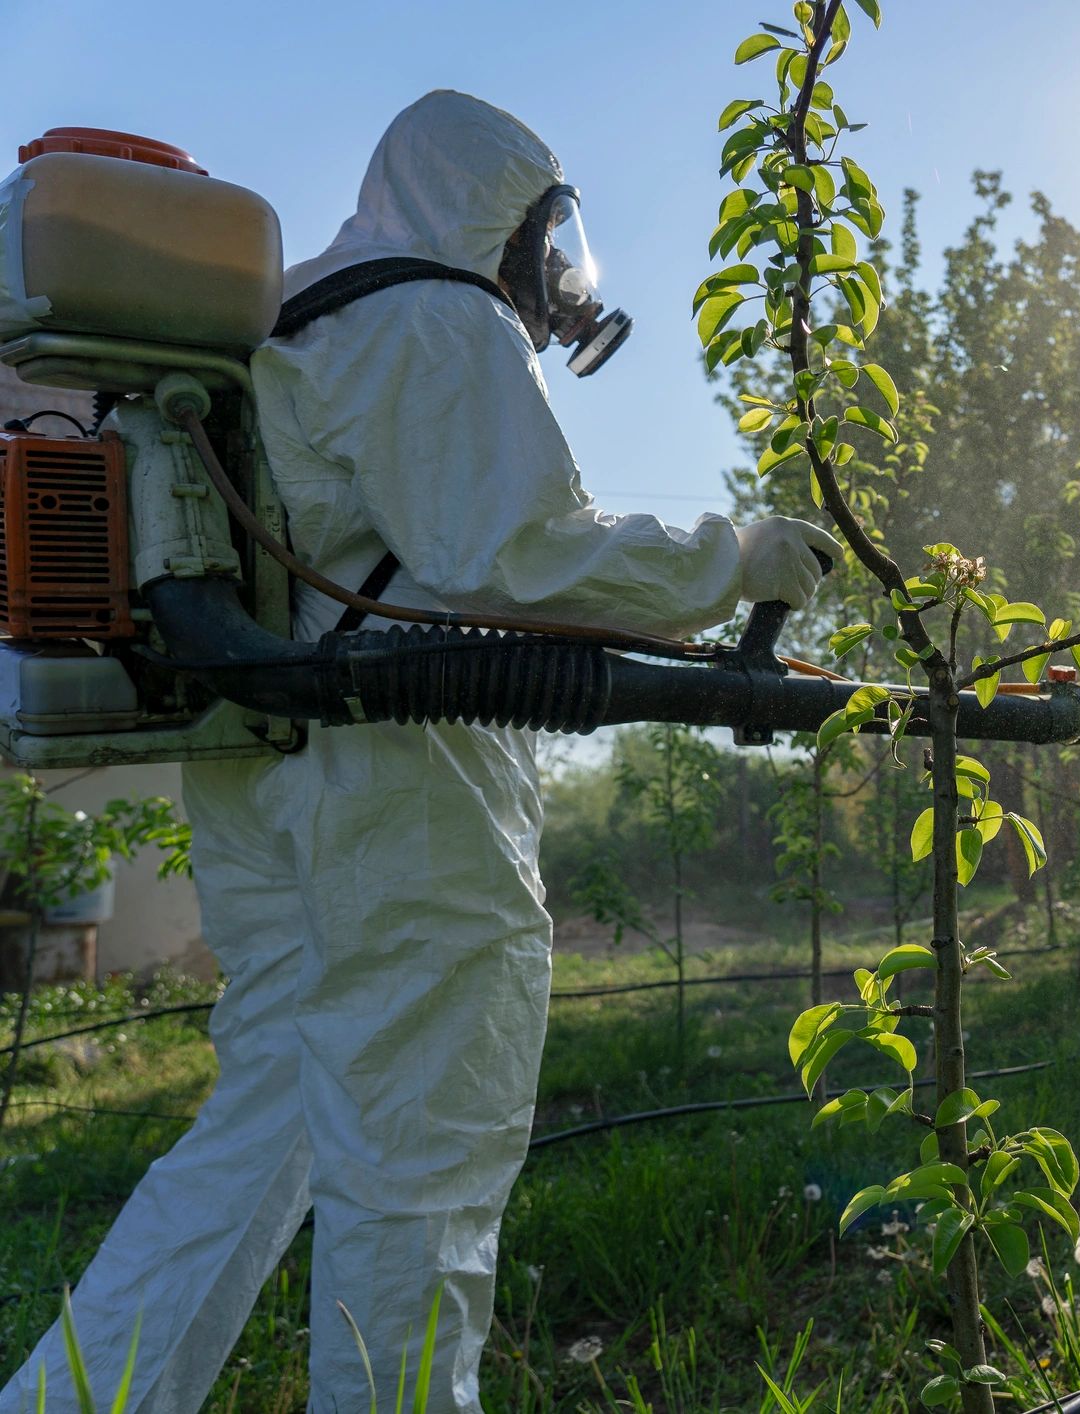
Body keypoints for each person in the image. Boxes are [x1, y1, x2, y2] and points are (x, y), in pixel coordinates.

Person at [0, 91, 838, 1413]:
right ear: (494, 210)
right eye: (549, 243)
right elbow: (517, 555)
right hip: (399, 789)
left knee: (264, 1124)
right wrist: (729, 558)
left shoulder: (299, 316)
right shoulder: (437, 315)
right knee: (424, 1160)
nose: (557, 284)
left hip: (264, 768)